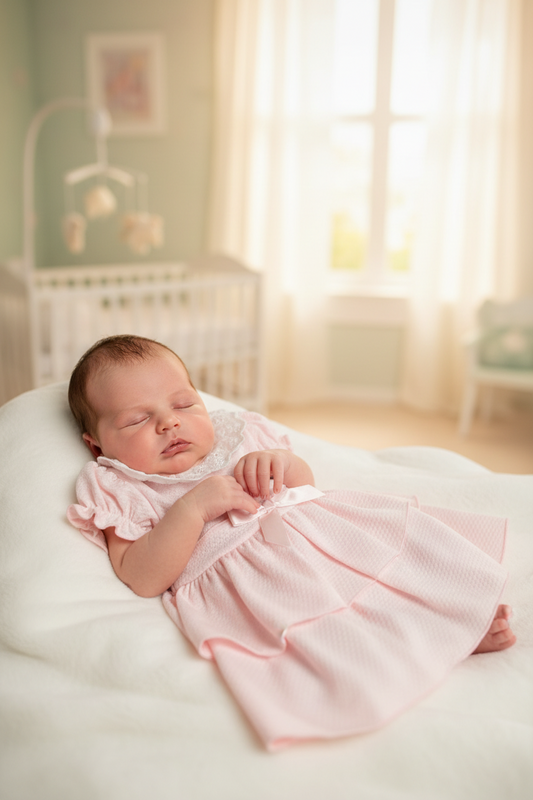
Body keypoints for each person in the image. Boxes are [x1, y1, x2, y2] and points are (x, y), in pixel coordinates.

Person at [67, 334, 516, 750]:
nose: (169, 422)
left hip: (314, 529)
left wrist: (280, 463)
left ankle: (455, 622)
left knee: (386, 576)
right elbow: (141, 576)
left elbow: (304, 485)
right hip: (254, 581)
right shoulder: (120, 485)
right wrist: (191, 510)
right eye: (138, 419)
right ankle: (390, 668)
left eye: (184, 404)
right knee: (326, 629)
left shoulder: (237, 434)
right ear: (97, 446)